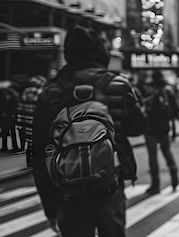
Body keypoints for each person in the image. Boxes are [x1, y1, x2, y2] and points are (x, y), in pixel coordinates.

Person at [32, 24, 146, 237]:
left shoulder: (50, 93)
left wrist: (50, 207)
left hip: (67, 193)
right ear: (99, 52)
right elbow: (138, 127)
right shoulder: (117, 85)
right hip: (110, 186)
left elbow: (39, 153)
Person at [143, 70, 179, 195]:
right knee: (167, 152)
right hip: (164, 128)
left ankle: (155, 184)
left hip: (150, 129)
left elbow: (142, 109)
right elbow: (176, 108)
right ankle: (174, 178)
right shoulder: (168, 93)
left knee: (152, 156)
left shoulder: (149, 93)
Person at [16, 75, 46, 167]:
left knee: (29, 140)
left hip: (25, 120)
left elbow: (20, 106)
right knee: (36, 140)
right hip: (35, 120)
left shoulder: (26, 91)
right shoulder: (42, 93)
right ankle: (35, 161)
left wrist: (19, 119)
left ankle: (29, 160)